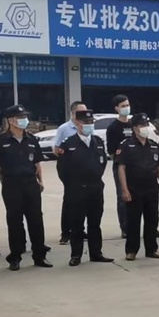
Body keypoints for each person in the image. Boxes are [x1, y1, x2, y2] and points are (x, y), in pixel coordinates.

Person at [0, 104, 52, 271]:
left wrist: (40, 180)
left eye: (25, 117)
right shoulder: (1, 140)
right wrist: (4, 181)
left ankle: (39, 255)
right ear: (11, 121)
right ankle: (15, 257)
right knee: (14, 221)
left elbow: (37, 162)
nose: (24, 120)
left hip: (31, 184)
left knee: (36, 220)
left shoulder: (32, 139)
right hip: (12, 185)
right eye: (20, 118)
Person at [59, 110, 114, 266]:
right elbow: (62, 169)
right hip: (76, 190)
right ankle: (76, 255)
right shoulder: (68, 143)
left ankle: (96, 253)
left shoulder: (97, 141)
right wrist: (72, 185)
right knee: (77, 224)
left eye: (91, 123)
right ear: (78, 123)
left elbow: (102, 163)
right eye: (85, 123)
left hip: (95, 188)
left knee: (95, 223)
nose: (89, 125)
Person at [118, 113, 159, 261]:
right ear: (135, 128)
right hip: (134, 189)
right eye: (142, 125)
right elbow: (121, 168)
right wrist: (124, 190)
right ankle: (131, 250)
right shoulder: (127, 145)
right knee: (133, 221)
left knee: (152, 219)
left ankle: (151, 249)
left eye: (146, 125)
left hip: (151, 188)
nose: (145, 128)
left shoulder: (153, 145)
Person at [53, 101, 88, 245]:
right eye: (81, 112)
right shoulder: (64, 128)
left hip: (84, 170)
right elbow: (56, 149)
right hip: (69, 171)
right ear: (73, 113)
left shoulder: (87, 127)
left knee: (84, 201)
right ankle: (66, 232)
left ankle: (80, 230)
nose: (84, 115)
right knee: (69, 201)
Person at [105, 94, 134, 238]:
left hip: (137, 166)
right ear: (116, 108)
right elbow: (111, 152)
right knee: (123, 196)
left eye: (127, 105)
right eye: (123, 106)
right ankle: (125, 227)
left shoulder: (134, 124)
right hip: (121, 166)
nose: (126, 108)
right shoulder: (113, 128)